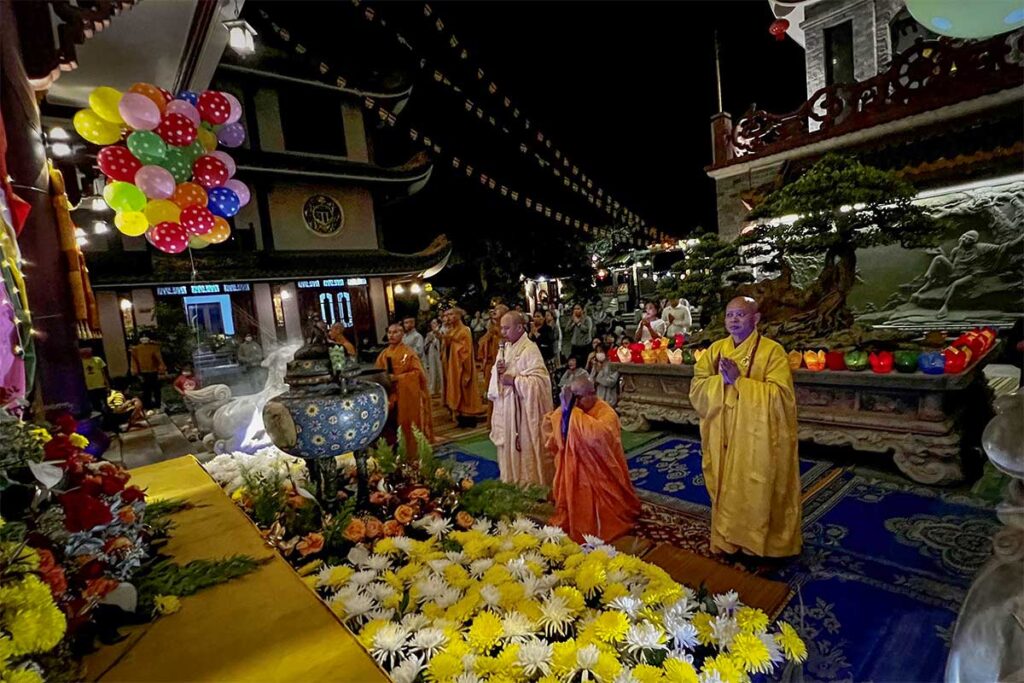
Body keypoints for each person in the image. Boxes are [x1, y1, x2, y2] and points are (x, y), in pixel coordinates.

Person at [689, 296, 801, 559]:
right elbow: (697, 387)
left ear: (756, 319)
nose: (734, 320)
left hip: (756, 437)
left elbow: (781, 398)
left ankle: (760, 544)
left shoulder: (772, 352)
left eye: (740, 314)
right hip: (722, 432)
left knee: (757, 485)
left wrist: (740, 382)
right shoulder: (716, 350)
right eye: (729, 315)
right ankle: (727, 539)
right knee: (724, 483)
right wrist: (722, 383)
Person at [545, 376, 640, 543]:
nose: (576, 403)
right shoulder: (574, 408)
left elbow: (595, 437)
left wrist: (571, 412)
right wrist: (567, 410)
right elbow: (554, 432)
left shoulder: (606, 412)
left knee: (601, 507)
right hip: (576, 471)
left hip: (601, 474)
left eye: (578, 397)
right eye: (573, 398)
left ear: (592, 394)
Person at [488, 311, 554, 486]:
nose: (503, 332)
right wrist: (498, 372)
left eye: (507, 328)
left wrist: (515, 381)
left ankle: (530, 484)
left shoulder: (530, 349)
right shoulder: (505, 348)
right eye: (501, 328)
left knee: (525, 446)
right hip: (507, 407)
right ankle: (511, 480)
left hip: (524, 412)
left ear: (519, 327)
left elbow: (541, 382)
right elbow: (497, 379)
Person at [912, 229, 1024, 318]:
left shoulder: (981, 247)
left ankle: (945, 306)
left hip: (969, 274)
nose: (964, 239)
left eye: (968, 238)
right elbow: (951, 261)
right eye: (963, 236)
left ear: (973, 241)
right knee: (939, 258)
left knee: (955, 284)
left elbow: (1002, 248)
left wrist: (1018, 240)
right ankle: (925, 286)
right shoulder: (956, 250)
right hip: (954, 271)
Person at [376, 323, 434, 456]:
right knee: (390, 424)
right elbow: (378, 372)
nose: (391, 335)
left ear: (402, 335)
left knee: (406, 422)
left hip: (405, 394)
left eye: (395, 332)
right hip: (390, 395)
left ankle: (410, 450)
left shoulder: (409, 353)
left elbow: (418, 374)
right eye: (389, 332)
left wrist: (399, 378)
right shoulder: (384, 354)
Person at [442, 307, 483, 426]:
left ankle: (468, 417)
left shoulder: (465, 330)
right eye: (446, 315)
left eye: (451, 314)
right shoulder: (451, 330)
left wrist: (451, 341)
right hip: (452, 366)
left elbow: (465, 351)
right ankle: (458, 414)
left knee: (465, 391)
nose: (448, 318)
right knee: (455, 388)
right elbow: (447, 347)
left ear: (459, 315)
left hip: (463, 366)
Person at [477, 304, 509, 395]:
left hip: (502, 359)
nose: (494, 312)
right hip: (490, 359)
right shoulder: (491, 327)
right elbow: (482, 341)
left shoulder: (506, 326)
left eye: (497, 310)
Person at [130, 335, 166, 410]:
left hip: (146, 372)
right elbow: (159, 359)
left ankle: (148, 406)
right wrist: (162, 369)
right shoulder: (153, 347)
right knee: (154, 390)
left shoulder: (136, 349)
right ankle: (156, 405)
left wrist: (135, 372)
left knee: (147, 390)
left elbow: (134, 363)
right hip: (151, 371)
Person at [80, 347, 109, 414]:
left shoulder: (98, 359)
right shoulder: (80, 362)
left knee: (106, 403)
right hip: (90, 387)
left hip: (100, 385)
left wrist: (107, 384)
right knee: (96, 405)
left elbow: (103, 372)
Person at [424, 318, 444, 396]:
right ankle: (433, 388)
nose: (433, 325)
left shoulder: (441, 332)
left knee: (440, 370)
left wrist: (435, 342)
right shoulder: (429, 334)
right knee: (432, 370)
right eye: (432, 323)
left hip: (439, 354)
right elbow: (425, 347)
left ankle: (442, 388)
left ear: (439, 324)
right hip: (431, 354)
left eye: (434, 323)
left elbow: (442, 345)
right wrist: (429, 341)